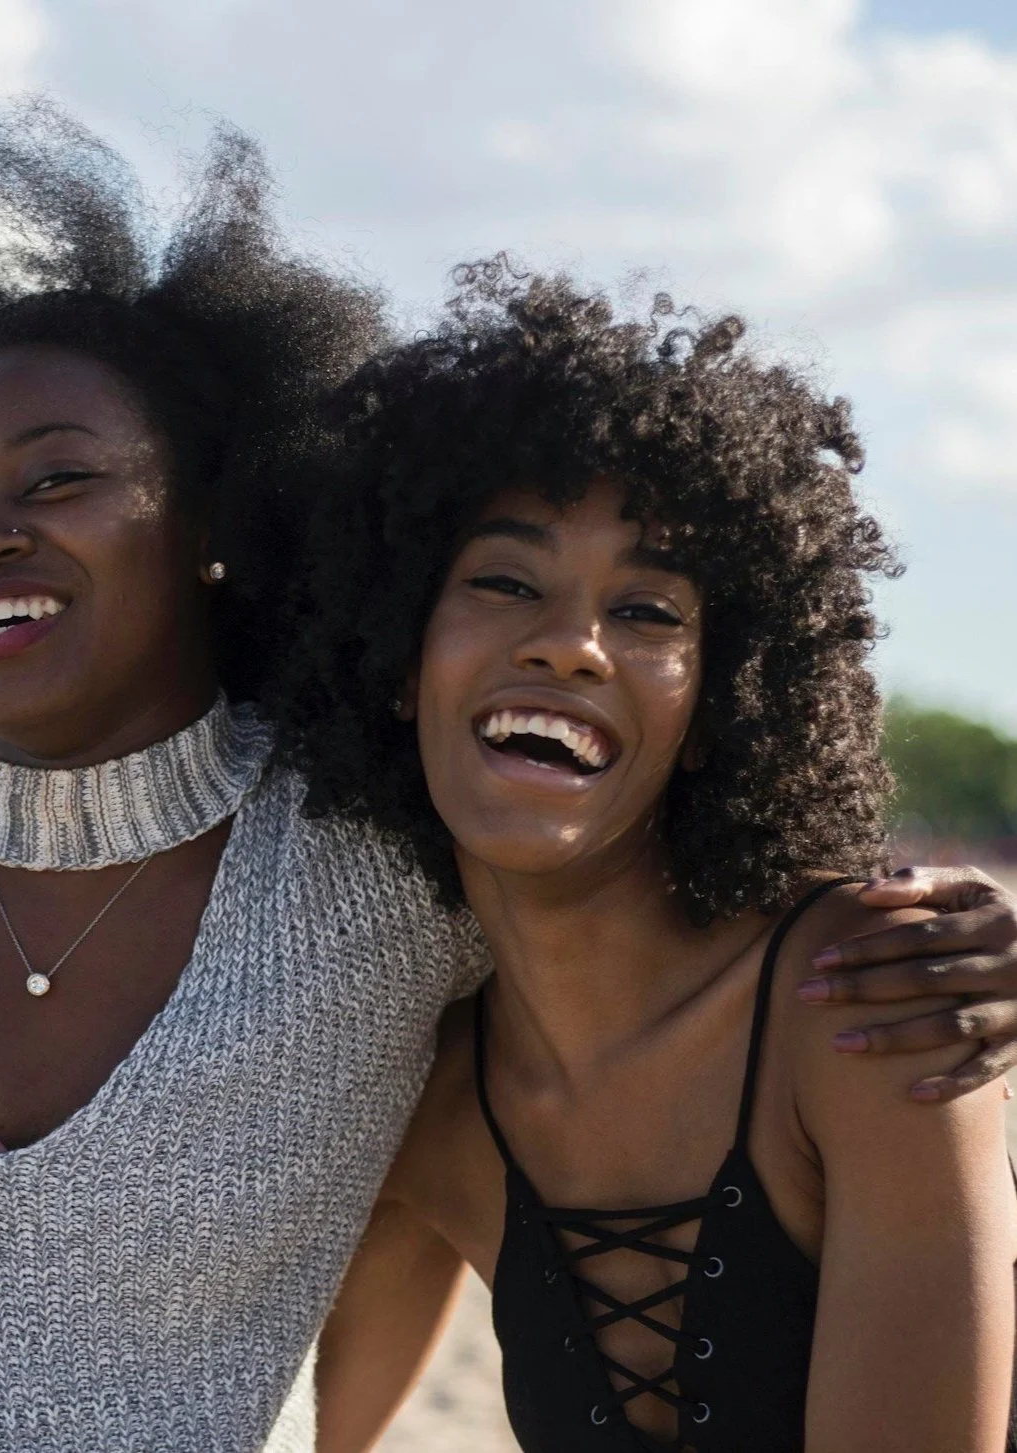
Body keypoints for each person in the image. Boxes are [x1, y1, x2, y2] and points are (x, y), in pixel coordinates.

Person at [0, 101, 1015, 1452]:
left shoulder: (369, 872)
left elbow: (625, 921)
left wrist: (964, 934)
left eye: (59, 479)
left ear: (218, 522)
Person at [277, 266, 1017, 1451]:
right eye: (504, 581)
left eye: (649, 612)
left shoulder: (866, 1000)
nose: (569, 644)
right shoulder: (423, 1097)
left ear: (717, 700)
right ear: (395, 653)